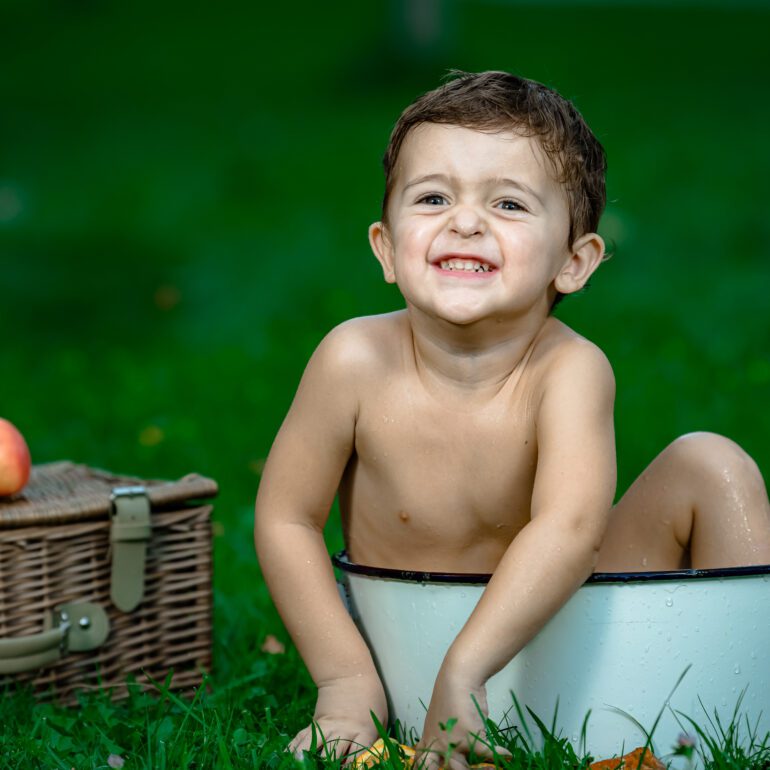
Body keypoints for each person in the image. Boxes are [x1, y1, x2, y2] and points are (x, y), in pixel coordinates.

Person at [254, 71, 770, 769]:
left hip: (561, 623)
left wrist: (466, 668)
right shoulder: (353, 361)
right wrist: (345, 680)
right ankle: (396, 680)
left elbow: (572, 531)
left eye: (507, 203)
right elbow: (285, 518)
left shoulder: (570, 371)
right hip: (411, 649)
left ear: (574, 261)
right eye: (433, 197)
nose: (465, 221)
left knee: (713, 463)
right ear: (384, 246)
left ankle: (747, 691)